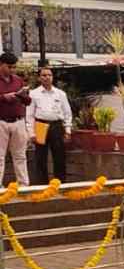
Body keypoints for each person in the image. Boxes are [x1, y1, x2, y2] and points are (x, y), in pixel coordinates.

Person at [27, 67, 72, 184]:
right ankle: (42, 185)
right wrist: (31, 133)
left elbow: (67, 113)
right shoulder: (33, 94)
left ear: (52, 77)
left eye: (49, 75)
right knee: (40, 157)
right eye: (44, 75)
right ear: (39, 78)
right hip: (40, 125)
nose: (47, 77)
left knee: (59, 156)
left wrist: (67, 130)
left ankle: (60, 184)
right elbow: (29, 115)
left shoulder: (60, 94)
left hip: (56, 126)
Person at [0, 52, 31, 186]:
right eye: (9, 67)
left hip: (18, 121)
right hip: (1, 121)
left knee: (20, 155)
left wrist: (23, 95)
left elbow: (28, 102)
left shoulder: (18, 80)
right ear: (1, 65)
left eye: (14, 67)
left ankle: (23, 185)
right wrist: (4, 97)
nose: (12, 70)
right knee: (0, 157)